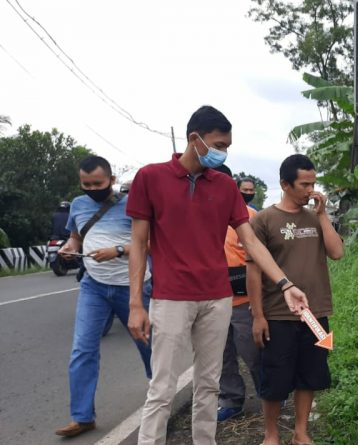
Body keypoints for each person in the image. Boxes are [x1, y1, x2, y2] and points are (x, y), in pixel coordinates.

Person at [126, 105, 309, 445]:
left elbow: (250, 241)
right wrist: (136, 303)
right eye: (219, 145)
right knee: (162, 388)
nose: (223, 152)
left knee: (209, 384)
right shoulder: (150, 178)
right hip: (170, 297)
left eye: (227, 146)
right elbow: (138, 243)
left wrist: (285, 284)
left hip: (217, 298)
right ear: (194, 139)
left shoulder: (224, 186)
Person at [247, 154, 344, 445]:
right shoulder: (263, 220)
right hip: (278, 314)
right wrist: (258, 316)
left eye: (313, 183)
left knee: (311, 374)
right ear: (285, 184)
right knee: (275, 377)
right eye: (304, 184)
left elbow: (337, 253)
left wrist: (322, 215)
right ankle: (271, 434)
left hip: (316, 314)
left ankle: (301, 432)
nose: (310, 190)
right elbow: (253, 271)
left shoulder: (315, 218)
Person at [55, 155, 152, 438]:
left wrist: (117, 250)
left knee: (149, 346)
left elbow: (148, 243)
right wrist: (69, 247)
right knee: (82, 349)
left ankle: (160, 400)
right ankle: (82, 416)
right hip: (93, 285)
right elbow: (76, 236)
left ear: (111, 180)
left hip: (132, 286)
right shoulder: (78, 205)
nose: (92, 189)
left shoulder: (133, 204)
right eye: (86, 184)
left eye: (98, 183)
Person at [211, 166, 261, 422]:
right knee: (221, 355)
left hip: (243, 300)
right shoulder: (192, 214)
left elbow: (264, 256)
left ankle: (270, 393)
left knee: (253, 351)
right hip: (210, 301)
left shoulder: (249, 216)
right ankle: (231, 400)